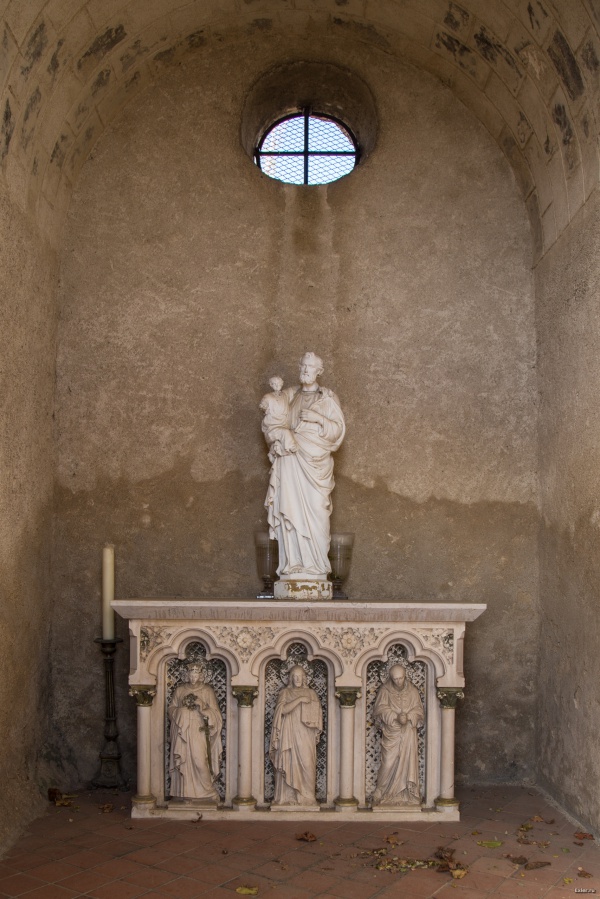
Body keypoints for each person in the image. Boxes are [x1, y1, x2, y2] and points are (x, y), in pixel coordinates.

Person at [263, 352, 345, 577]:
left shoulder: (328, 398)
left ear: (320, 371)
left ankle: (316, 566)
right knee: (290, 510)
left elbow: (338, 432)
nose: (306, 370)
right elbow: (272, 423)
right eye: (303, 366)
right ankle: (293, 564)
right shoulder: (289, 396)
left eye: (311, 367)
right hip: (290, 461)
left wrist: (318, 419)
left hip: (316, 465)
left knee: (318, 509)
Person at [168, 661, 222, 801]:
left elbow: (216, 714)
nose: (193, 678)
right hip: (183, 730)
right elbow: (171, 708)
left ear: (201, 676)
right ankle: (184, 793)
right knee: (184, 760)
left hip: (199, 730)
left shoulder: (207, 691)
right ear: (187, 675)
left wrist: (203, 707)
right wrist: (180, 711)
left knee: (200, 761)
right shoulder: (180, 690)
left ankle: (208, 791)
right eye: (191, 675)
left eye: (196, 675)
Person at [269, 665, 323, 806]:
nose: (297, 679)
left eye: (300, 676)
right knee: (288, 762)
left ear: (304, 678)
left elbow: (317, 714)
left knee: (308, 763)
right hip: (289, 734)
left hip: (306, 734)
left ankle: (308, 797)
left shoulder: (311, 693)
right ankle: (288, 797)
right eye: (295, 676)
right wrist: (299, 700)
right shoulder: (285, 692)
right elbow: (282, 710)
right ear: (290, 678)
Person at [372, 665, 424, 806]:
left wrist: (409, 716)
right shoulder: (385, 690)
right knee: (388, 762)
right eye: (395, 679)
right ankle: (382, 791)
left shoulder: (413, 691)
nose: (398, 681)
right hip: (392, 732)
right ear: (390, 678)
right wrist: (394, 716)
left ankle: (407, 794)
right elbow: (379, 709)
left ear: (405, 676)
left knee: (407, 763)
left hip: (408, 733)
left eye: (401, 678)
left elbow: (419, 711)